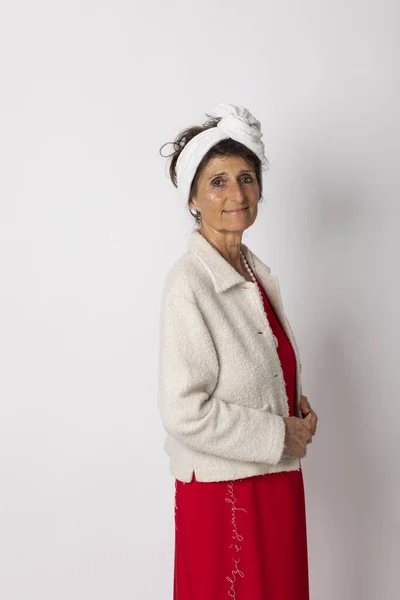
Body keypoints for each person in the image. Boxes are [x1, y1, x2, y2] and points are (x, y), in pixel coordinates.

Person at [157, 103, 318, 600]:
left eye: (246, 177)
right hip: (227, 493)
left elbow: (263, 370)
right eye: (218, 181)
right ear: (194, 199)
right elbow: (183, 411)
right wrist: (279, 433)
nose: (236, 193)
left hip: (275, 481)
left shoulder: (254, 275)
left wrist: (299, 411)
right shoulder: (190, 284)